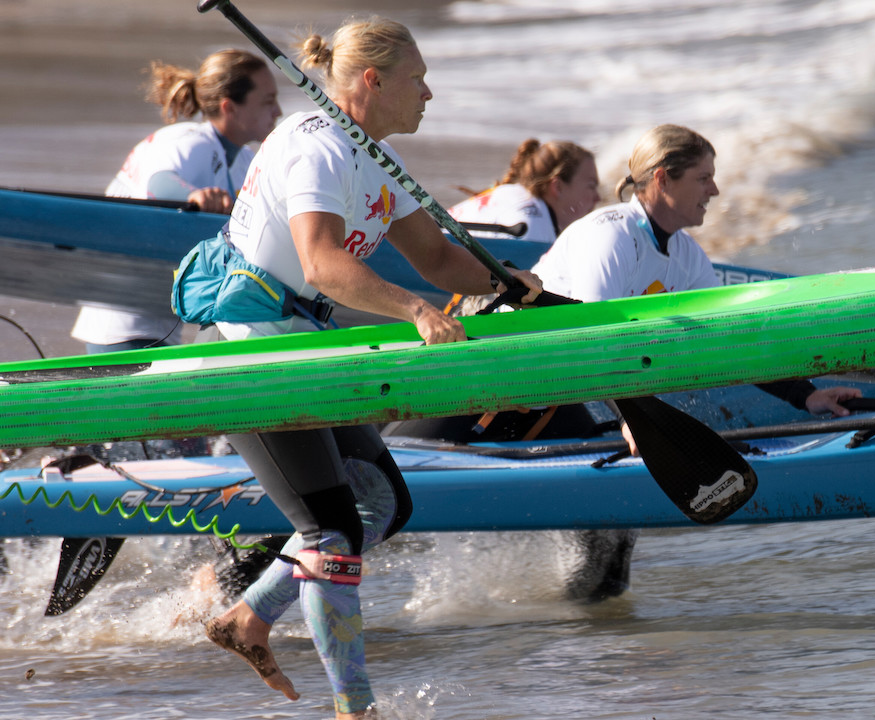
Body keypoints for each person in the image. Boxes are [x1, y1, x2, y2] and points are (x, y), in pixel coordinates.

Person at [196, 17, 540, 720]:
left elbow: (440, 259)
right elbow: (325, 263)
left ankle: (246, 620)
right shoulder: (316, 147)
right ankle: (356, 709)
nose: (430, 93)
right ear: (373, 82)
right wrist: (416, 312)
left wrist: (505, 278)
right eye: (418, 80)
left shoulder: (377, 160)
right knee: (333, 530)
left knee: (383, 502)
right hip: (251, 351)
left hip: (303, 348)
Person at [531, 124, 862, 454]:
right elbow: (594, 340)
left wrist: (805, 396)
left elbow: (728, 340)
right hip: (513, 382)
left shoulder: (686, 254)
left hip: (566, 390)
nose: (714, 190)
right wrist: (630, 418)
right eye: (703, 178)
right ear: (662, 179)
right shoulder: (611, 237)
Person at [71, 49, 282, 354]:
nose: (277, 111)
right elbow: (159, 185)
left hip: (161, 316)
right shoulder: (188, 142)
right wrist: (193, 196)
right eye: (268, 101)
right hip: (122, 317)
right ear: (230, 107)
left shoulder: (245, 159)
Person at [449, 138, 601, 243]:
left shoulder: (512, 195)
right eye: (591, 186)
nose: (597, 198)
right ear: (558, 187)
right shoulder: (532, 226)